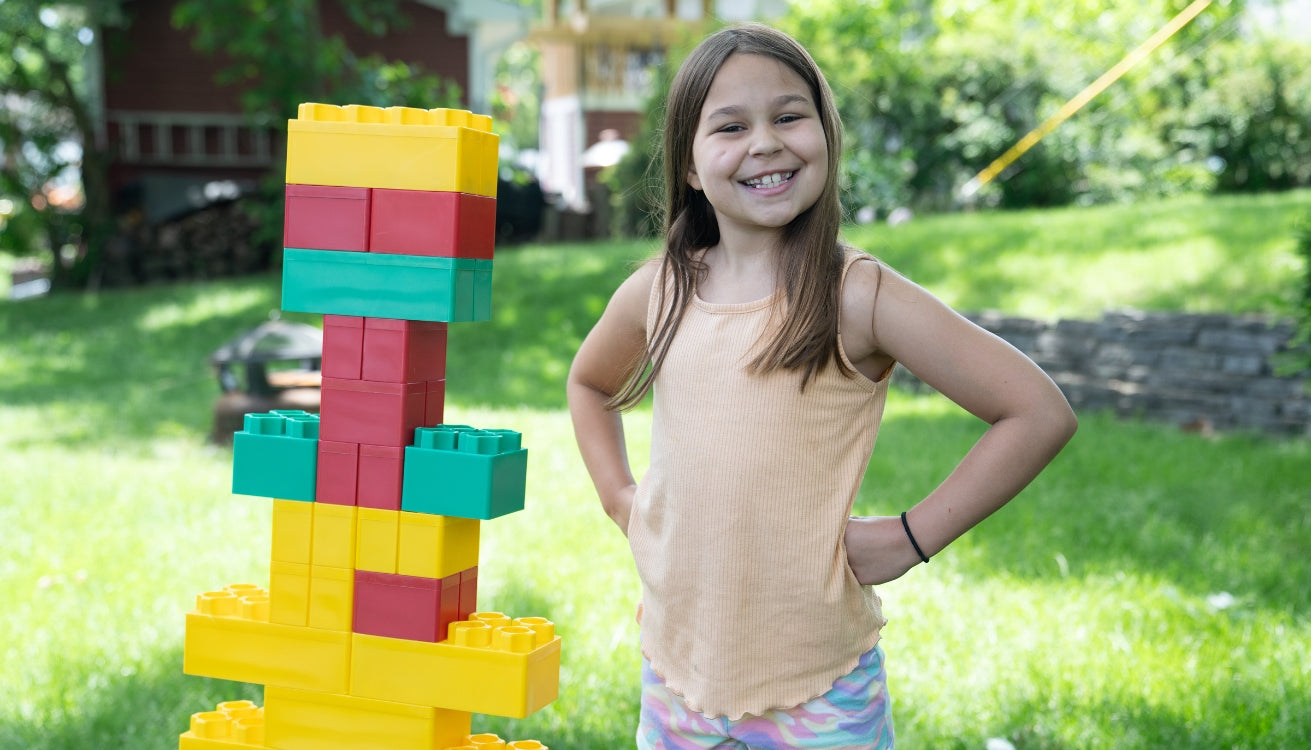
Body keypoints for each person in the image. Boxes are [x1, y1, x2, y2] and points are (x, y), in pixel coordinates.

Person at [566, 22, 1077, 750]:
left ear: (825, 134)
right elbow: (588, 383)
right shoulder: (660, 290)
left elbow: (1036, 411)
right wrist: (620, 499)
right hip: (677, 673)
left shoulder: (855, 294)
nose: (765, 142)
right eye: (731, 126)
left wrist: (910, 537)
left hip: (819, 690)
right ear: (687, 163)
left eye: (788, 116)